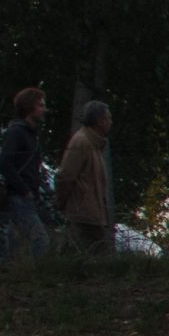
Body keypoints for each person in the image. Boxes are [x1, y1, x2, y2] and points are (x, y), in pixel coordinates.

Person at [0, 87, 53, 261]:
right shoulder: (17, 132)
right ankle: (39, 277)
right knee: (41, 239)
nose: (44, 109)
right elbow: (5, 164)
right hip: (20, 196)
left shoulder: (28, 133)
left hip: (26, 195)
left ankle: (12, 275)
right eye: (41, 105)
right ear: (29, 107)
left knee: (15, 243)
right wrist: (24, 189)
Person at [54, 99, 115, 254]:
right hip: (83, 214)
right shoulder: (81, 142)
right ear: (99, 121)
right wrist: (61, 203)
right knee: (95, 260)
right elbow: (65, 176)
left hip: (91, 214)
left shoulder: (94, 143)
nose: (110, 122)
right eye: (108, 118)